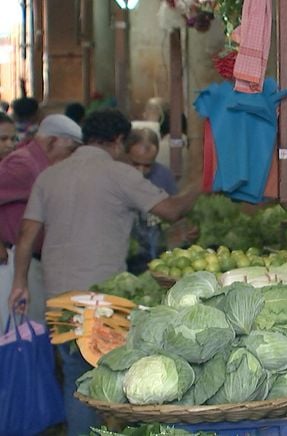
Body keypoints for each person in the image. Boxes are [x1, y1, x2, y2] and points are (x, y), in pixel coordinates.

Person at [9, 108, 202, 436]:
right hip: (102, 298)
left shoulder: (50, 176)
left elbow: (26, 236)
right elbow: (171, 211)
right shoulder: (119, 175)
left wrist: (20, 284)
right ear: (118, 141)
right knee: (109, 378)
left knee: (75, 377)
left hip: (59, 294)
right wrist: (202, 182)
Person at [0, 114, 82, 324]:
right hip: (12, 262)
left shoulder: (37, 162)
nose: (73, 157)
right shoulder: (23, 163)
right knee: (19, 335)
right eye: (70, 150)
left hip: (30, 261)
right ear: (52, 141)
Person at [124, 128, 178, 274]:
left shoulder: (164, 176)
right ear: (126, 155)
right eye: (135, 164)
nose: (141, 171)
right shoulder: (115, 176)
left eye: (148, 165)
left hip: (157, 250)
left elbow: (174, 212)